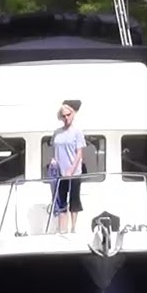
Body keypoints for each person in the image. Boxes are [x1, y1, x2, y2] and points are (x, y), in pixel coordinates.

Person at [50, 99, 85, 232]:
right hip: (60, 172)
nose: (66, 118)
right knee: (61, 200)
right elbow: (55, 150)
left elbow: (79, 153)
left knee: (74, 200)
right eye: (63, 116)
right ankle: (61, 229)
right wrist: (54, 160)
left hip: (74, 173)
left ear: (73, 114)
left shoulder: (77, 132)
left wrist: (72, 169)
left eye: (68, 115)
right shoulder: (57, 133)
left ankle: (73, 228)